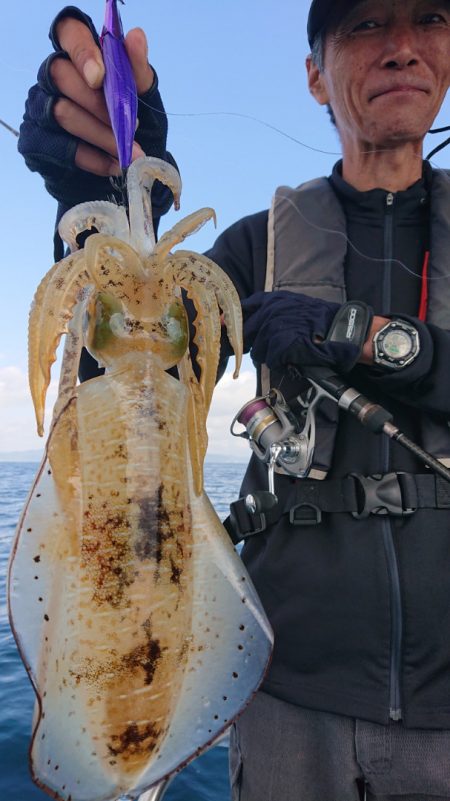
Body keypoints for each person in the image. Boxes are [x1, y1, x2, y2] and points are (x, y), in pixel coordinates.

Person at [17, 1, 450, 799]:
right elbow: (133, 388)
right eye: (364, 25)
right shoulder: (257, 248)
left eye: (428, 17)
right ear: (315, 75)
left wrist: (368, 336)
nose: (400, 47)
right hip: (287, 696)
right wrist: (92, 202)